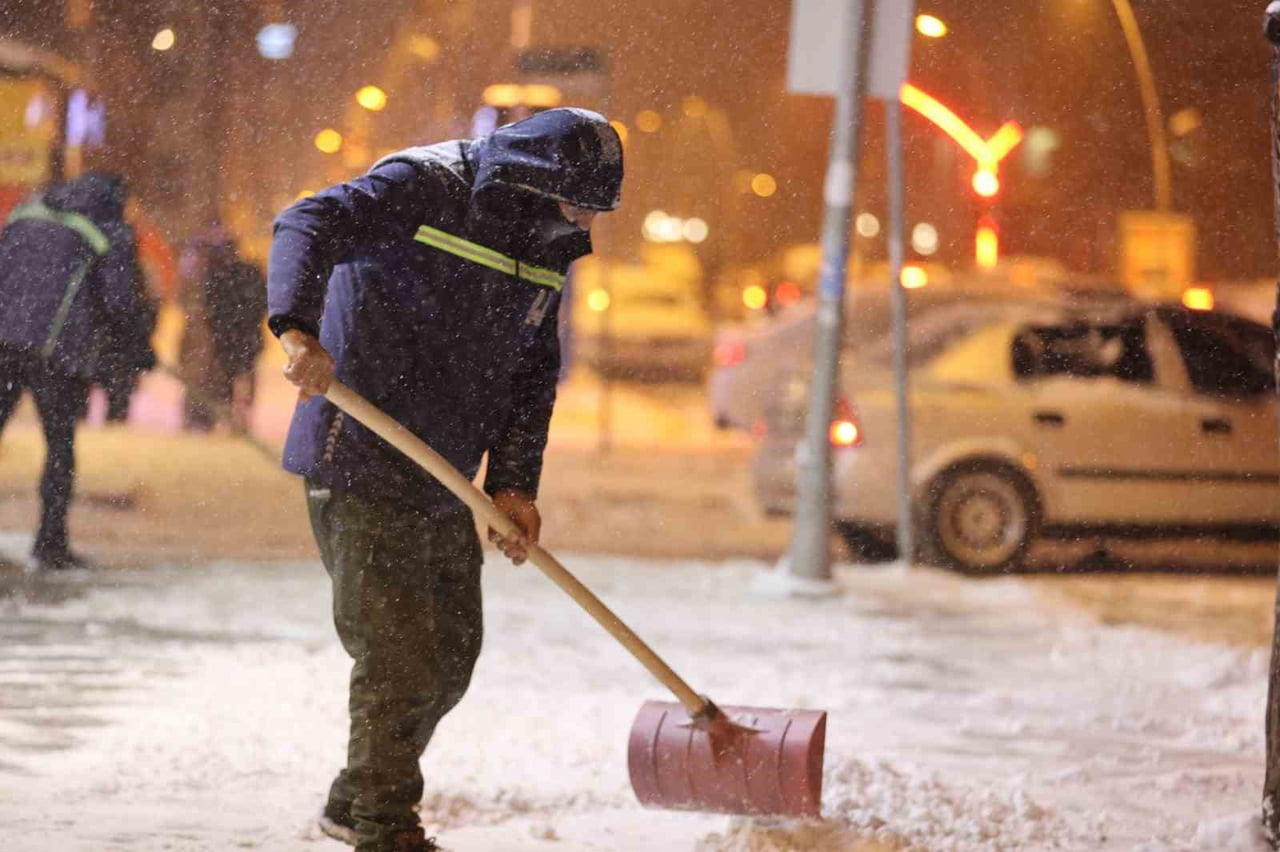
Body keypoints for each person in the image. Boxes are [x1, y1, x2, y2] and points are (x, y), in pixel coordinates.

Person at [267, 108, 622, 852]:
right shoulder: (425, 186)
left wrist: (514, 484)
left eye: (593, 210)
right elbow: (305, 222)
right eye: (576, 204)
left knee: (451, 659)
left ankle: (355, 797)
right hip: (360, 453)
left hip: (444, 474)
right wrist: (296, 328)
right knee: (398, 657)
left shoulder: (546, 245)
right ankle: (384, 827)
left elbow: (532, 373)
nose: (583, 222)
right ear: (531, 181)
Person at [0, 172, 155, 572]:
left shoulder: (26, 214)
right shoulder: (107, 230)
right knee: (59, 446)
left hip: (2, 340)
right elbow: (120, 301)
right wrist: (139, 347)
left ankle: (51, 543)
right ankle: (50, 544)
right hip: (54, 348)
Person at [178, 228, 267, 432]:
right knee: (240, 374)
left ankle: (223, 415)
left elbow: (207, 306)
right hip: (243, 335)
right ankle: (235, 415)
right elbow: (261, 303)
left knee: (223, 375)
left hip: (224, 336)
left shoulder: (214, 274)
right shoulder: (246, 272)